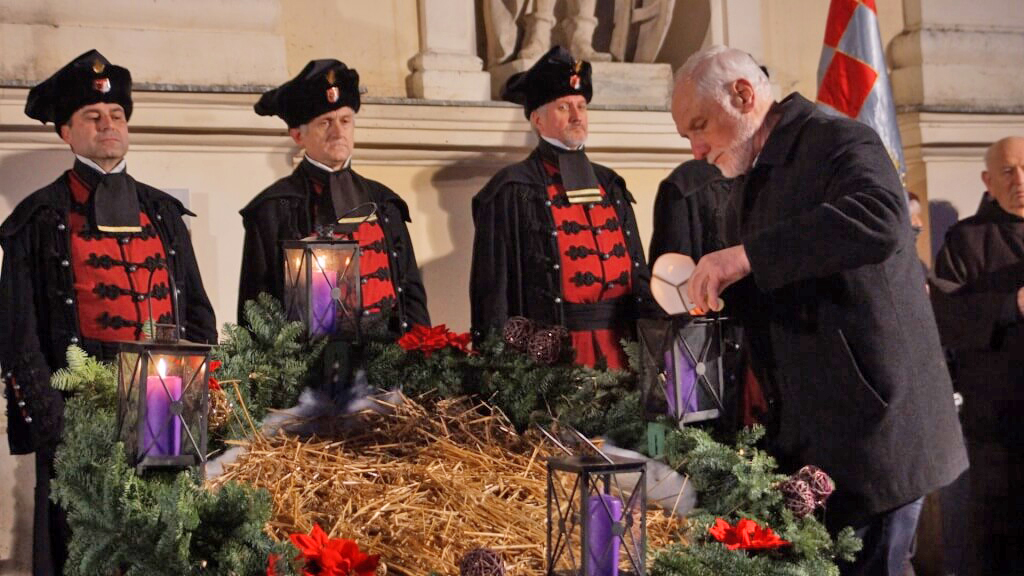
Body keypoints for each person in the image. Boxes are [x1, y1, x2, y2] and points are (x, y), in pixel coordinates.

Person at [671, 45, 968, 576]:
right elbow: (789, 276)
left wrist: (744, 257)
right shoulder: (753, 169)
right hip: (818, 433)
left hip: (876, 429)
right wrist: (699, 289)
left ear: (742, 94)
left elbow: (879, 220)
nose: (696, 149)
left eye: (700, 126)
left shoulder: (838, 138)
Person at [0, 49, 217, 576]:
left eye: (117, 115)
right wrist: (53, 423)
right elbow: (17, 333)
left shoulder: (163, 211)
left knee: (168, 545)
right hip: (78, 412)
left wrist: (202, 393)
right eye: (93, 117)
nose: (108, 124)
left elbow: (197, 312)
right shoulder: (39, 216)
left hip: (167, 405)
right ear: (65, 134)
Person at [470, 46, 651, 370]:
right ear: (537, 120)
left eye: (581, 106)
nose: (576, 115)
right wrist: (498, 371)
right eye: (563, 106)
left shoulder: (610, 184)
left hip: (621, 353)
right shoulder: (511, 190)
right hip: (554, 362)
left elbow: (638, 270)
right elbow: (492, 295)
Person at [239, 58, 429, 336]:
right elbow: (256, 308)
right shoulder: (272, 208)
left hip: (390, 367)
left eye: (345, 120)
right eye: (325, 122)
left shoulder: (385, 202)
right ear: (297, 135)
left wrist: (422, 354)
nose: (338, 132)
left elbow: (411, 292)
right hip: (308, 372)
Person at [930, 136, 1024, 575]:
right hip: (1000, 422)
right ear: (988, 180)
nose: (1019, 180)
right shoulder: (967, 240)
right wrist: (1012, 306)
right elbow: (946, 319)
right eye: (1007, 171)